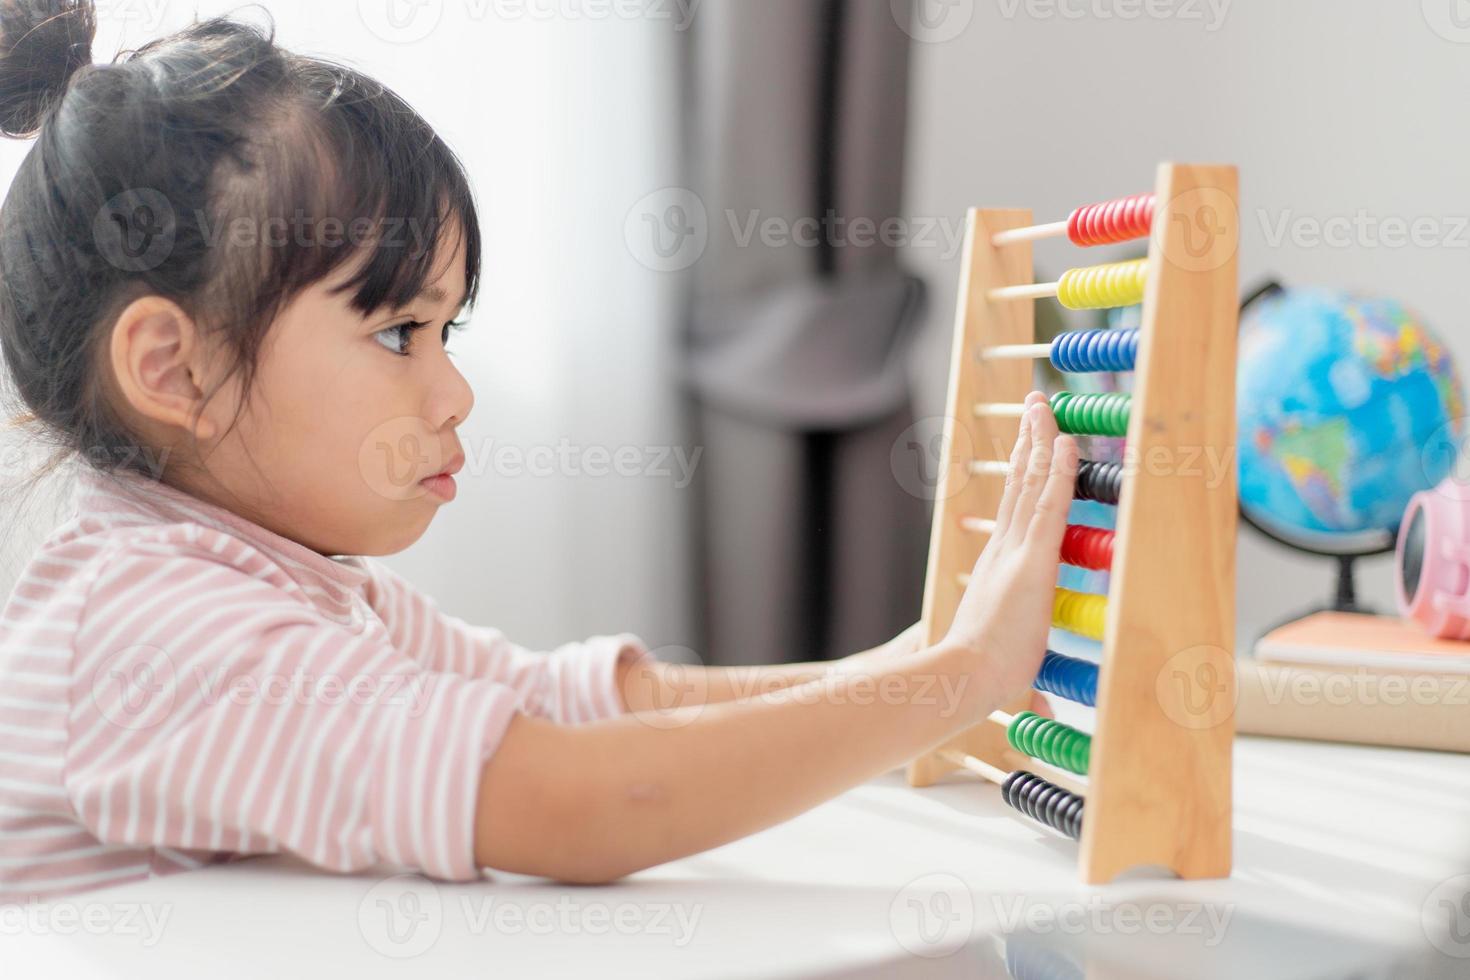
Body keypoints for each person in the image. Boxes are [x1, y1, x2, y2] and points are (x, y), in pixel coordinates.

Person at [0, 0, 1077, 901]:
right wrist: (957, 675)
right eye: (395, 332)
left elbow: (577, 702)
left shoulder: (279, 581)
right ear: (174, 369)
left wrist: (922, 666)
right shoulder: (151, 629)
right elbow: (575, 798)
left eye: (446, 331)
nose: (454, 389)